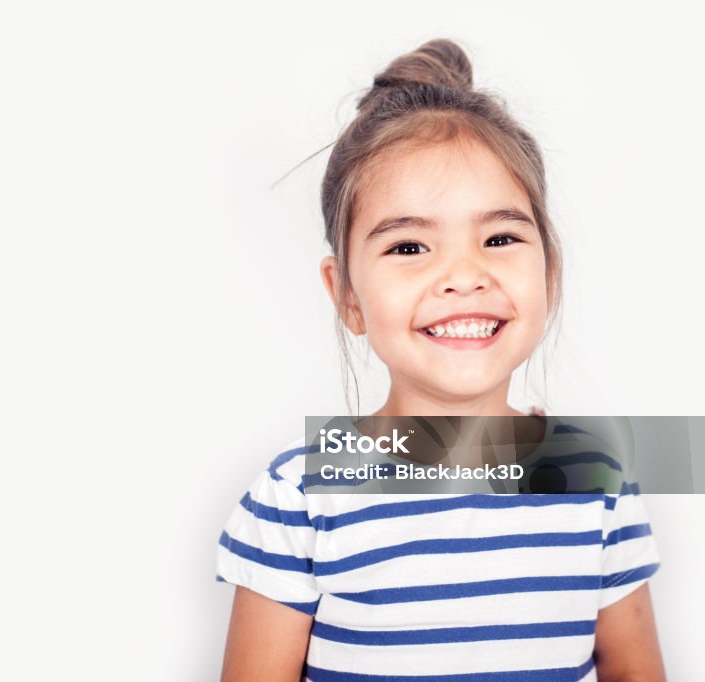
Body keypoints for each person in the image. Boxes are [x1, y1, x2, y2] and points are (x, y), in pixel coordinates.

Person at [216, 39, 664, 681]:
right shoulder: (298, 499)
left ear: (551, 272)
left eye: (501, 238)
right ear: (347, 296)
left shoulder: (595, 481)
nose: (463, 275)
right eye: (408, 247)